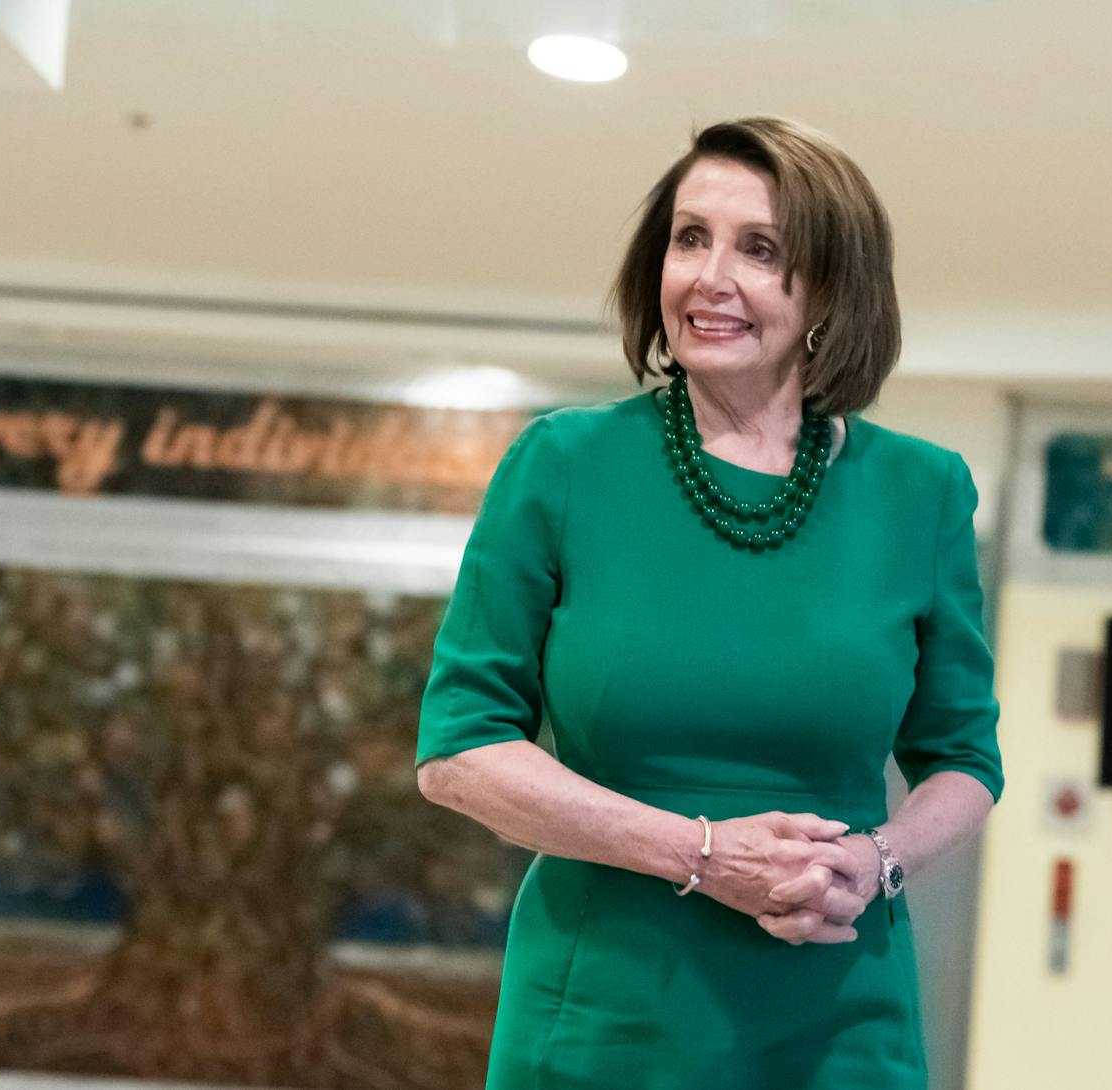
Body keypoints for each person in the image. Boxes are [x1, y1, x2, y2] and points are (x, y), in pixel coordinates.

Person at [415, 116, 1003, 1090]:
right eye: (689, 238)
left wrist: (881, 858)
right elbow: (458, 751)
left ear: (829, 290)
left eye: (759, 249)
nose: (709, 277)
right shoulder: (562, 464)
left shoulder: (921, 492)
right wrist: (696, 852)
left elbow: (964, 759)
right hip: (601, 1021)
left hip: (838, 1022)